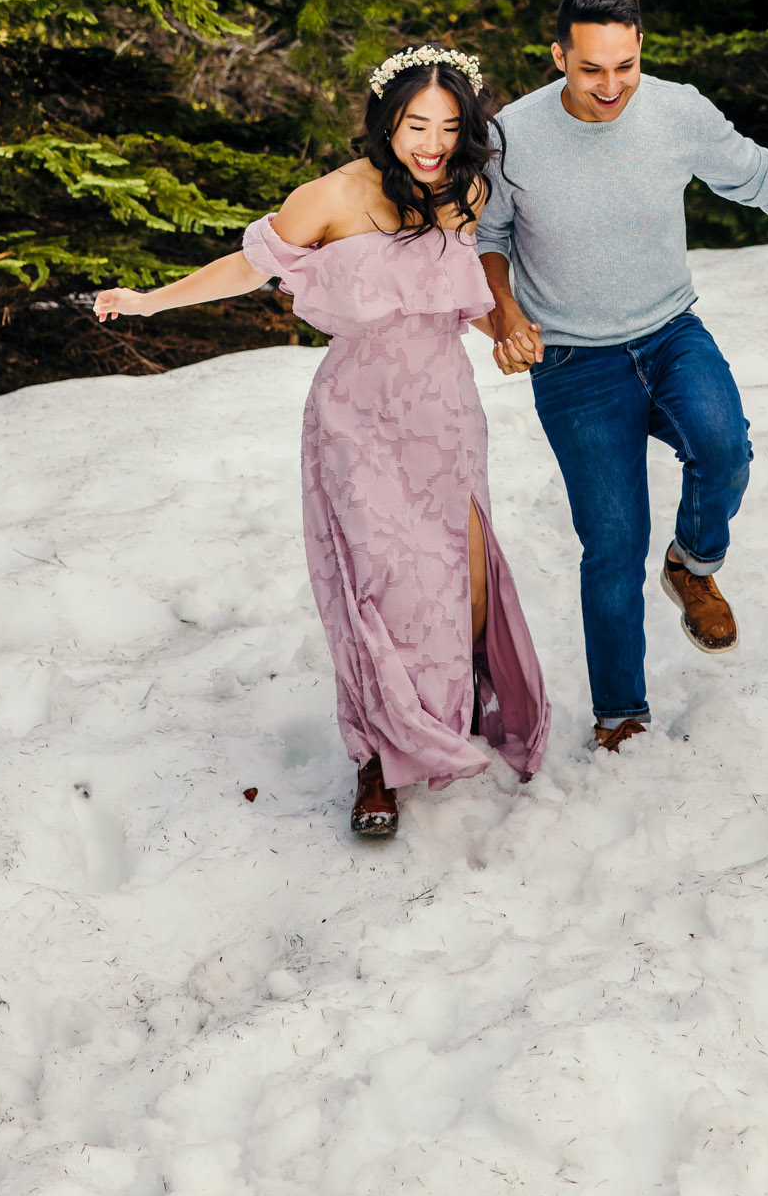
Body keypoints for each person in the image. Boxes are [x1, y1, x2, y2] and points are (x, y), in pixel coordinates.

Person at [93, 46, 550, 839]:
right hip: (357, 414)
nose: (432, 142)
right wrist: (149, 302)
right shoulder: (330, 197)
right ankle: (377, 758)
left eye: (448, 126)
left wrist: (506, 330)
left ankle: (444, 710)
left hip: (444, 409)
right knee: (376, 584)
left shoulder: (466, 192)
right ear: (385, 121)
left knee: (458, 578)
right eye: (416, 124)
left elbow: (451, 299)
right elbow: (246, 267)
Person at [477, 0, 768, 751]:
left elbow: (762, 177)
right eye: (590, 68)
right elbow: (486, 239)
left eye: (623, 66)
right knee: (613, 542)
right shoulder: (510, 138)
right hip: (571, 363)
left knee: (724, 446)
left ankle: (693, 563)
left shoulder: (677, 110)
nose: (609, 86)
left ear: (639, 50)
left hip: (668, 332)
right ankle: (620, 714)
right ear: (558, 55)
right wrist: (507, 315)